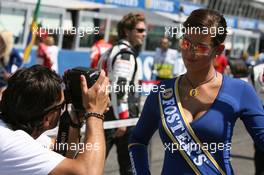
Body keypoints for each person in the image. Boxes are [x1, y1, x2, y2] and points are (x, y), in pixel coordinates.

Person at [129, 9, 264, 175]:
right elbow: (137, 140)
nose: (190, 52)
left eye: (200, 47)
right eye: (186, 43)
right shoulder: (162, 91)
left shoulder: (240, 91)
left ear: (218, 50)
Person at [0, 65, 109, 175]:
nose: (64, 107)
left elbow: (61, 154)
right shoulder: (13, 143)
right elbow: (88, 172)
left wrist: (75, 120)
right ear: (47, 118)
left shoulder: (14, 131)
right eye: (61, 106)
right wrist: (95, 113)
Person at [98, 12, 146, 175]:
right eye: (139, 30)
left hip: (105, 112)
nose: (143, 34)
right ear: (127, 31)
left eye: (144, 30)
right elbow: (120, 89)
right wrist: (123, 119)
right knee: (128, 166)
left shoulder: (111, 50)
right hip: (121, 117)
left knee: (93, 162)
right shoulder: (125, 54)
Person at [0, 31, 23, 99]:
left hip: (5, 79)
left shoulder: (12, 50)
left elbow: (19, 62)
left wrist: (11, 74)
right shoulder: (1, 49)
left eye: (1, 39)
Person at [250, 62, 264, 175]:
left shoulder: (255, 68)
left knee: (259, 148)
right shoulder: (255, 69)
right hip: (259, 111)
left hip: (258, 110)